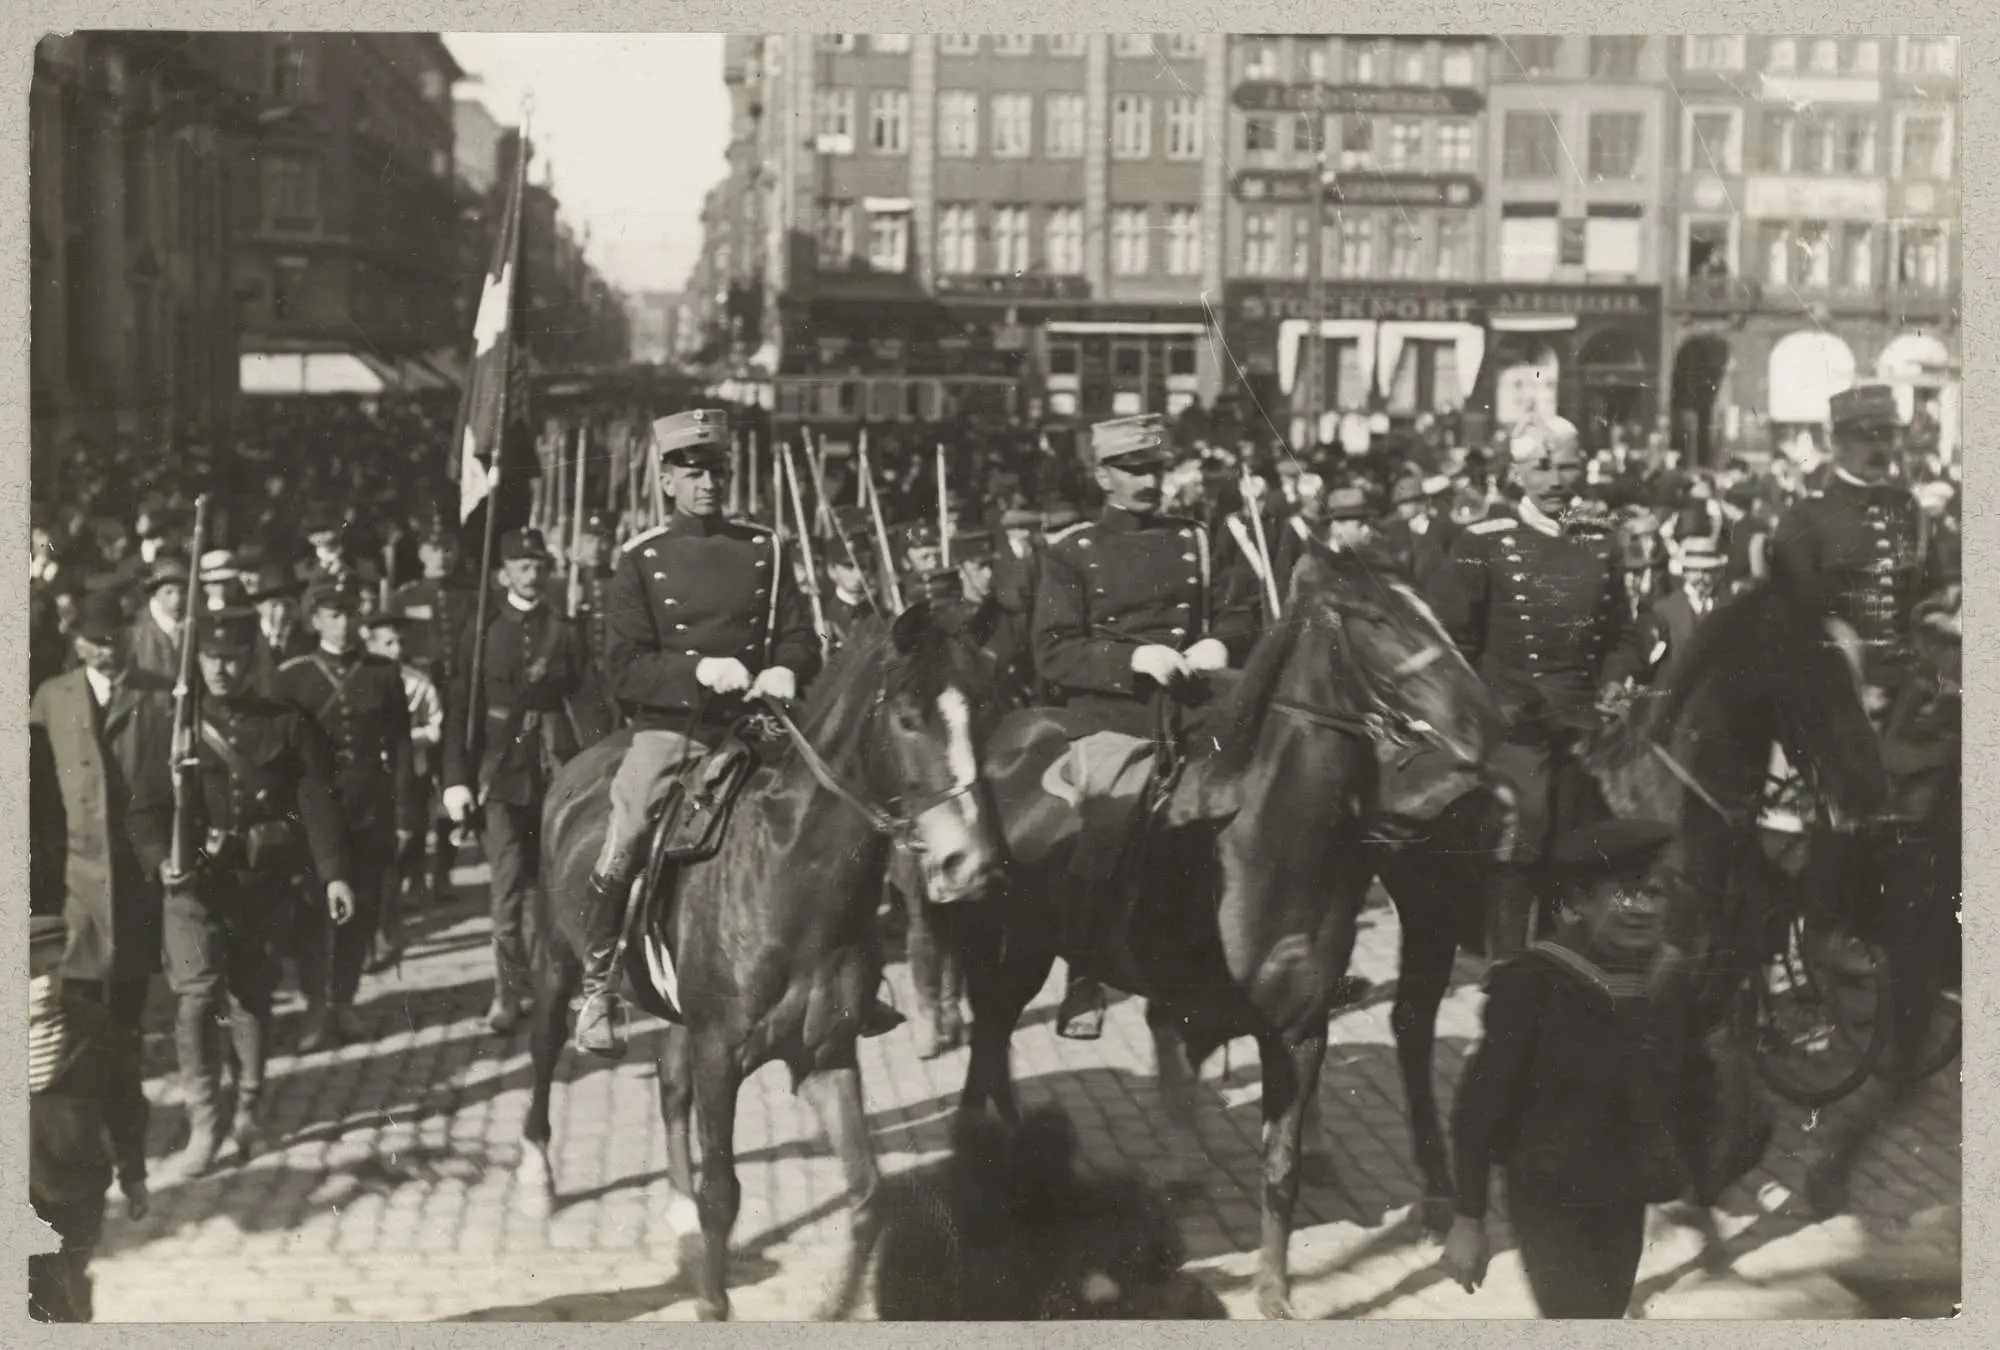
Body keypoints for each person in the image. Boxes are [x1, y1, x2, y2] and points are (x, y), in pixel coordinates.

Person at [579, 407, 886, 1059]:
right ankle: (598, 986)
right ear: (666, 480)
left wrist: (786, 667)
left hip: (759, 723)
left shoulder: (765, 548)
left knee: (842, 810)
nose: (707, 483)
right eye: (692, 472)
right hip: (675, 731)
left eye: (716, 470)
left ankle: (857, 967)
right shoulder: (641, 559)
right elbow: (624, 667)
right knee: (627, 831)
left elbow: (799, 633)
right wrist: (697, 672)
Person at [1442, 817, 1758, 1318]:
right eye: (1624, 894)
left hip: (1624, 1193)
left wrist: (1702, 1178)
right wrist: (1469, 1219)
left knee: (1605, 1314)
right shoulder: (1534, 982)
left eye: (1653, 893)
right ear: (1581, 901)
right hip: (1549, 1194)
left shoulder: (1668, 978)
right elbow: (1479, 1107)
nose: (1642, 909)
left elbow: (1693, 1084)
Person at [1030, 413, 1261, 1039]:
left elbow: (1242, 612)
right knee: (1108, 821)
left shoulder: (1199, 539)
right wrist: (1132, 660)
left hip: (1202, 702)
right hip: (1118, 714)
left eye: (1154, 468)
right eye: (1133, 470)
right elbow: (1053, 651)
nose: (1148, 481)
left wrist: (1219, 645)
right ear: (1102, 475)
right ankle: (1084, 967)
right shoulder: (1070, 551)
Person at [1425, 415, 1645, 956]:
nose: (1555, 481)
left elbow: (1624, 635)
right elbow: (1449, 642)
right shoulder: (1484, 542)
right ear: (1516, 474)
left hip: (1586, 722)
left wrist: (1615, 682)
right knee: (1525, 826)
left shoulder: (1599, 541)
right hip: (1511, 726)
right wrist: (1481, 707)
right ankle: (1507, 961)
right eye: (1540, 468)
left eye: (1566, 467)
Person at [146, 605, 355, 1175]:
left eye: (233, 658)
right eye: (211, 658)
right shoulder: (176, 722)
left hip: (259, 882)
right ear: (197, 659)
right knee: (195, 999)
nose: (221, 669)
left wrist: (333, 873)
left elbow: (315, 799)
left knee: (251, 996)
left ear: (251, 659)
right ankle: (204, 1121)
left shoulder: (286, 723)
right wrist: (160, 859)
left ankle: (248, 1111)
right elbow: (145, 804)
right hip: (192, 885)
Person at [27, 589, 175, 1224]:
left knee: (127, 1013)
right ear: (77, 643)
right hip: (74, 883)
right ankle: (87, 1139)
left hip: (137, 879)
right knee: (76, 1015)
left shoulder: (159, 694)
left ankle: (127, 1132)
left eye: (114, 641)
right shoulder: (52, 697)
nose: (105, 653)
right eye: (93, 642)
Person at [439, 529, 591, 1034]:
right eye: (523, 566)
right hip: (499, 774)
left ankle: (553, 984)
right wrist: (455, 779)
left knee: (552, 884)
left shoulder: (564, 631)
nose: (533, 574)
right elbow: (460, 709)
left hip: (554, 770)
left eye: (539, 565)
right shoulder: (481, 632)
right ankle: (507, 991)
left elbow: (588, 702)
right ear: (503, 573)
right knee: (506, 886)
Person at [275, 578, 420, 1051]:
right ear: (315, 620)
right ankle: (315, 1004)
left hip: (369, 808)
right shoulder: (293, 677)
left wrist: (404, 814)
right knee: (313, 910)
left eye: (350, 614)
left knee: (364, 907)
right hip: (313, 810)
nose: (344, 623)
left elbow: (401, 746)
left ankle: (344, 999)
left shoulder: (382, 673)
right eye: (333, 615)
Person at [361, 608, 445, 971]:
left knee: (399, 849)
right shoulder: (359, 680)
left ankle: (388, 931)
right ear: (370, 644)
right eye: (387, 643)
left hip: (408, 773)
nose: (396, 650)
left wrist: (405, 738)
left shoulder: (418, 682)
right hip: (367, 777)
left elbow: (436, 726)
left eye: (399, 642)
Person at [125, 552, 190, 680]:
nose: (177, 600)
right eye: (168, 592)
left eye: (182, 591)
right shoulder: (137, 629)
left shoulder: (193, 624)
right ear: (155, 594)